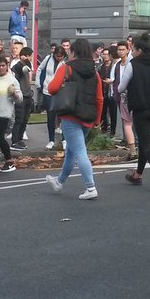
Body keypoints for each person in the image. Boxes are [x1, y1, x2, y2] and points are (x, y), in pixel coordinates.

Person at [44, 39, 104, 200]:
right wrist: (97, 120)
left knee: (79, 152)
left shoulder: (66, 68)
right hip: (89, 117)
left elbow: (52, 88)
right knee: (71, 151)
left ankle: (90, 187)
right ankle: (59, 181)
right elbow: (99, 99)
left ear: (73, 52)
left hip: (70, 115)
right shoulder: (95, 72)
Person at [120, 35, 150, 190]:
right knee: (144, 141)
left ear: (139, 51)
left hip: (140, 109)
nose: (132, 52)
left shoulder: (132, 65)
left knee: (147, 145)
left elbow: (121, 87)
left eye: (133, 50)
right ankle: (137, 175)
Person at [39, 46, 66, 149]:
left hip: (61, 92)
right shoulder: (48, 59)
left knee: (63, 116)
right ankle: (51, 140)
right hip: (48, 91)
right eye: (57, 56)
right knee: (50, 116)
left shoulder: (65, 63)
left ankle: (64, 139)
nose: (59, 58)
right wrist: (39, 83)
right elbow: (40, 69)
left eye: (61, 56)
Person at [10, 47, 34, 150]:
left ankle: (19, 139)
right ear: (26, 56)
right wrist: (24, 61)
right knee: (19, 119)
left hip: (28, 95)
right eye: (30, 56)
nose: (31, 58)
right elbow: (22, 70)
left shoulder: (26, 65)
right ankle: (14, 141)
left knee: (25, 119)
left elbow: (28, 68)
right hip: (21, 96)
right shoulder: (18, 66)